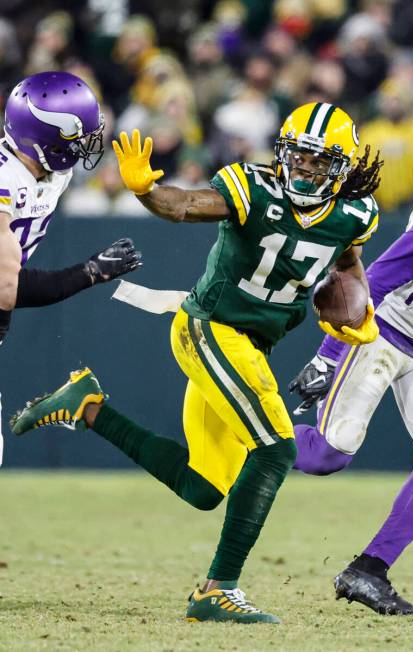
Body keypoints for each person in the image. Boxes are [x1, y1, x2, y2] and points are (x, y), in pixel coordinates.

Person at [11, 102, 382, 624]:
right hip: (211, 328)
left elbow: (347, 261)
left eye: (316, 163)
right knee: (275, 449)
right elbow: (186, 204)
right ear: (282, 153)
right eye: (296, 157)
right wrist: (146, 191)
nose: (302, 170)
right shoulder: (254, 188)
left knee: (203, 487)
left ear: (340, 168)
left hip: (251, 346)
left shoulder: (356, 213)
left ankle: (88, 406)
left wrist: (357, 306)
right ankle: (217, 590)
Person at [288, 185, 413, 616]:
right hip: (384, 331)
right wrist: (328, 356)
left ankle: (369, 570)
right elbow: (381, 276)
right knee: (325, 455)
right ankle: (238, 434)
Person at [0, 70, 142, 462]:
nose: (85, 146)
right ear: (43, 136)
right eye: (76, 137)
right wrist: (90, 272)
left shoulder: (51, 172)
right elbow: (5, 289)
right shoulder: (6, 179)